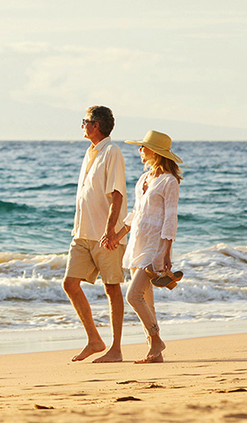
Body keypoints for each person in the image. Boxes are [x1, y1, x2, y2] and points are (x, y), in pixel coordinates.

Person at [62, 106, 128, 363]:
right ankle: (94, 339)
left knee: (112, 288)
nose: (82, 126)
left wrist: (111, 231)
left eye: (85, 122)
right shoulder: (90, 153)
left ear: (95, 125)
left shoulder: (112, 152)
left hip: (105, 235)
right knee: (70, 284)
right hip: (82, 233)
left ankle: (116, 349)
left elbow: (117, 194)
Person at [121, 130, 183, 364]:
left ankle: (156, 340)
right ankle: (154, 352)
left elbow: (170, 218)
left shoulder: (169, 181)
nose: (140, 150)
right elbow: (137, 212)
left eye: (143, 147)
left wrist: (166, 252)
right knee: (147, 301)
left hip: (155, 246)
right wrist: (118, 235)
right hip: (138, 241)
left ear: (155, 152)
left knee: (133, 296)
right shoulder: (144, 178)